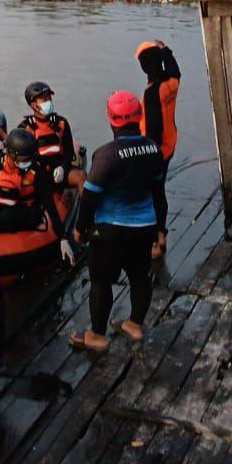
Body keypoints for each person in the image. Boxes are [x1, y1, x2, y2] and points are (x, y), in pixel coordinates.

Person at [68, 90, 166, 353]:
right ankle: (134, 324)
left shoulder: (106, 154)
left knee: (101, 282)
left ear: (111, 119)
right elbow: (159, 195)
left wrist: (80, 228)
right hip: (143, 229)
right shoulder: (154, 150)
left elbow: (90, 196)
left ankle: (97, 335)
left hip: (109, 232)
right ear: (139, 116)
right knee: (140, 277)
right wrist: (160, 229)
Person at [0, 130, 75, 265]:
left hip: (24, 211)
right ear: (11, 154)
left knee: (7, 216)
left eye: (29, 158)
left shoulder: (35, 172)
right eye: (23, 159)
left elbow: (50, 205)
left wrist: (63, 238)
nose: (27, 162)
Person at [136, 40, 180, 261]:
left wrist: (147, 156)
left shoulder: (152, 92)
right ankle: (161, 234)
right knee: (159, 191)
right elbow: (175, 71)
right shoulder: (170, 84)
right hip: (169, 145)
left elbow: (153, 128)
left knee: (152, 194)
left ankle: (154, 240)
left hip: (156, 152)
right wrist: (165, 51)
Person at [17, 81, 85, 197]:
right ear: (33, 105)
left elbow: (69, 153)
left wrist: (63, 168)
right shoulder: (25, 128)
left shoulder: (61, 123)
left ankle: (85, 206)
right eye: (44, 100)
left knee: (81, 176)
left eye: (49, 98)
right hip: (37, 175)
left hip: (59, 170)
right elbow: (23, 159)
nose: (48, 102)